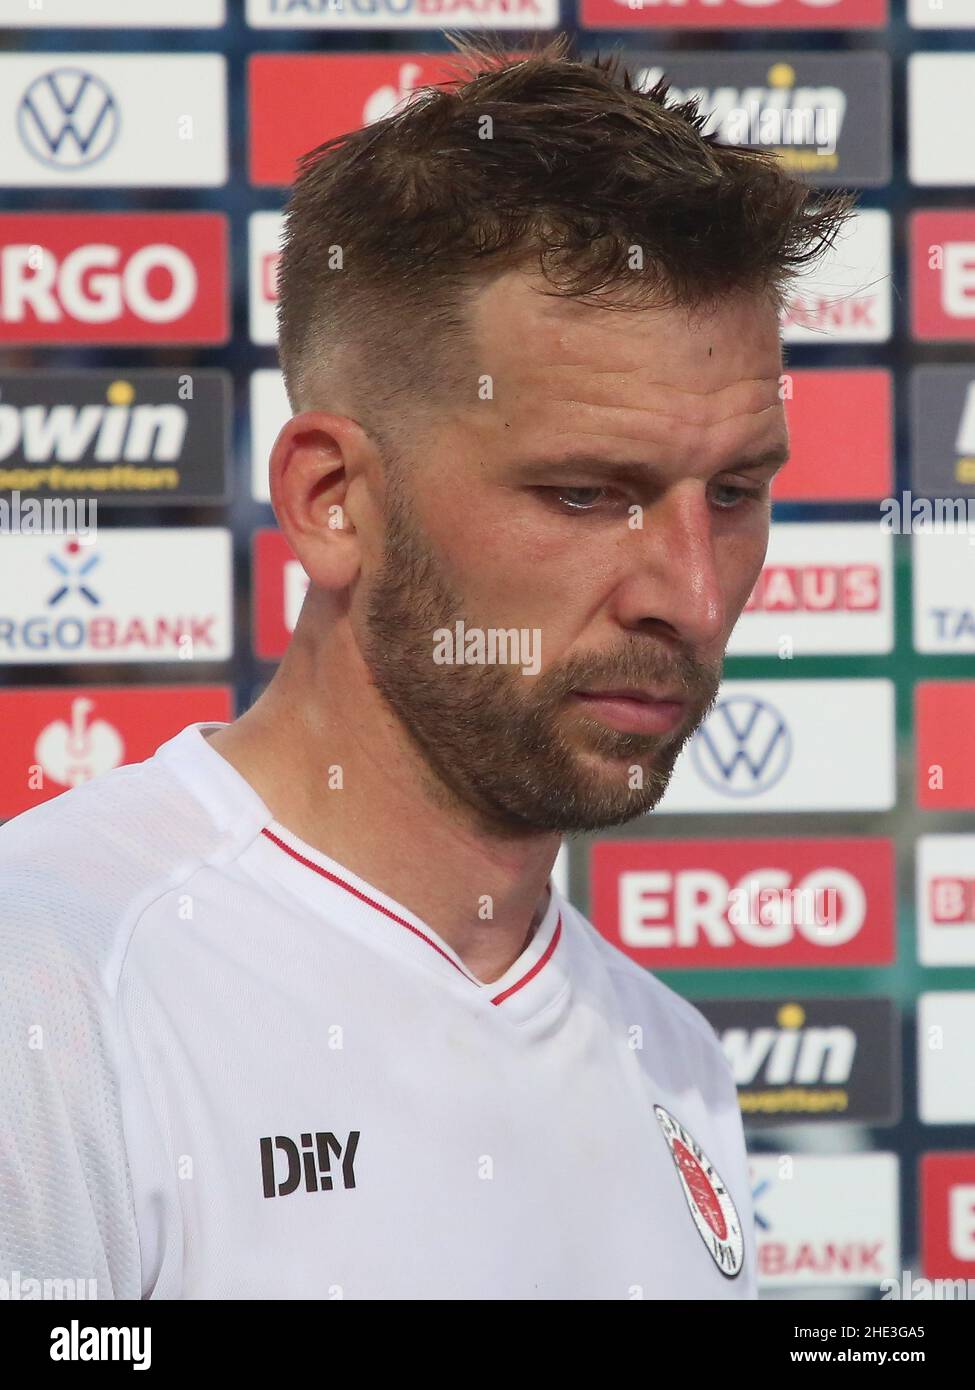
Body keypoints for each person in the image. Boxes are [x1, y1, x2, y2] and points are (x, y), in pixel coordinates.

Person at [0, 35, 855, 1299]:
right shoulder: (51, 986)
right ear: (335, 499)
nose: (689, 592)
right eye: (583, 493)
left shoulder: (672, 1058)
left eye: (733, 493)